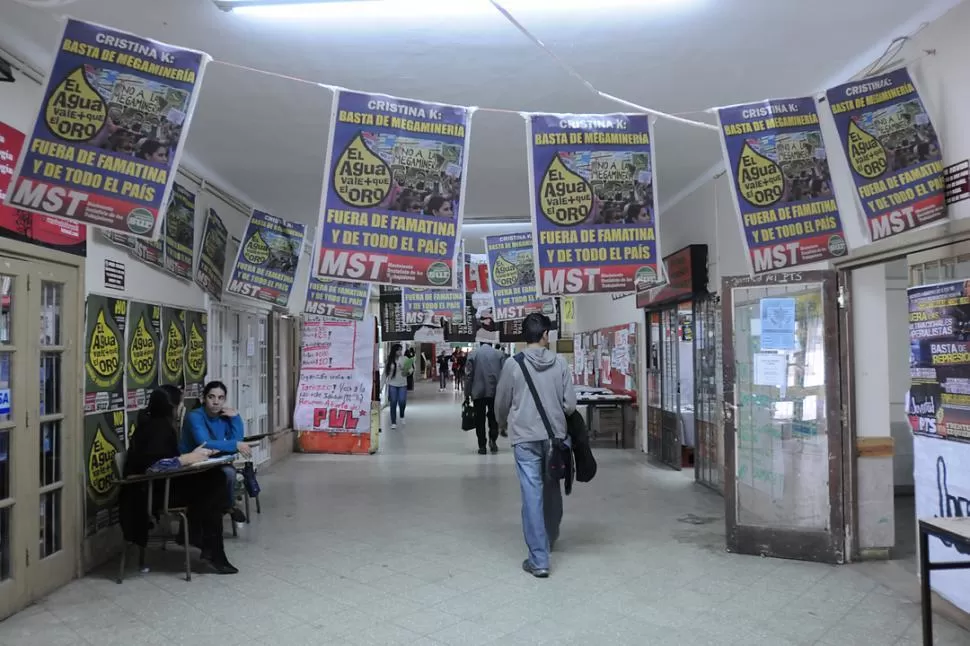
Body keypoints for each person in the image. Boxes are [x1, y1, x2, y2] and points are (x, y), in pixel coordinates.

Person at [121, 385, 238, 574]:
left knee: (214, 478)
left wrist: (192, 457)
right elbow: (153, 466)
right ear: (171, 406)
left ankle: (200, 538)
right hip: (152, 493)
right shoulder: (157, 428)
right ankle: (208, 546)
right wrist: (185, 459)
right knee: (213, 487)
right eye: (180, 403)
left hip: (163, 485)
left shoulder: (158, 424)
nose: (182, 407)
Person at [495, 313, 577, 578]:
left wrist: (502, 424)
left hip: (525, 438)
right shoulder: (561, 363)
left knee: (532, 493)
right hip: (555, 438)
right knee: (552, 487)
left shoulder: (512, 364)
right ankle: (549, 538)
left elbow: (502, 401)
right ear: (545, 335)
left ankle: (539, 558)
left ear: (524, 336)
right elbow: (570, 405)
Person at [180, 381, 250, 523]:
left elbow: (237, 441)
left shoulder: (224, 416)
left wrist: (236, 419)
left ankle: (225, 506)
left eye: (220, 398)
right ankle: (227, 506)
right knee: (225, 474)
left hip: (213, 461)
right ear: (203, 399)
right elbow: (204, 442)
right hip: (191, 465)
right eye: (211, 397)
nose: (216, 402)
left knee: (229, 472)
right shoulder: (195, 416)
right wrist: (234, 444)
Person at [464, 342, 507, 455]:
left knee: (479, 419)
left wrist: (467, 393)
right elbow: (505, 374)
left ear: (480, 342)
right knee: (493, 417)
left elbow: (468, 375)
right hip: (495, 391)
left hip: (478, 392)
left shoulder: (473, 354)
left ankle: (482, 445)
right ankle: (493, 439)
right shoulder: (500, 354)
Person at [383, 343, 409, 429]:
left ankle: (402, 415)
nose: (400, 352)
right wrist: (381, 386)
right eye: (398, 350)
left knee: (402, 401)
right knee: (393, 402)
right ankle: (393, 422)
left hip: (402, 384)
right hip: (392, 384)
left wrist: (405, 370)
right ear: (394, 351)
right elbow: (384, 374)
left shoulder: (405, 359)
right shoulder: (389, 360)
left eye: (401, 350)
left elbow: (411, 370)